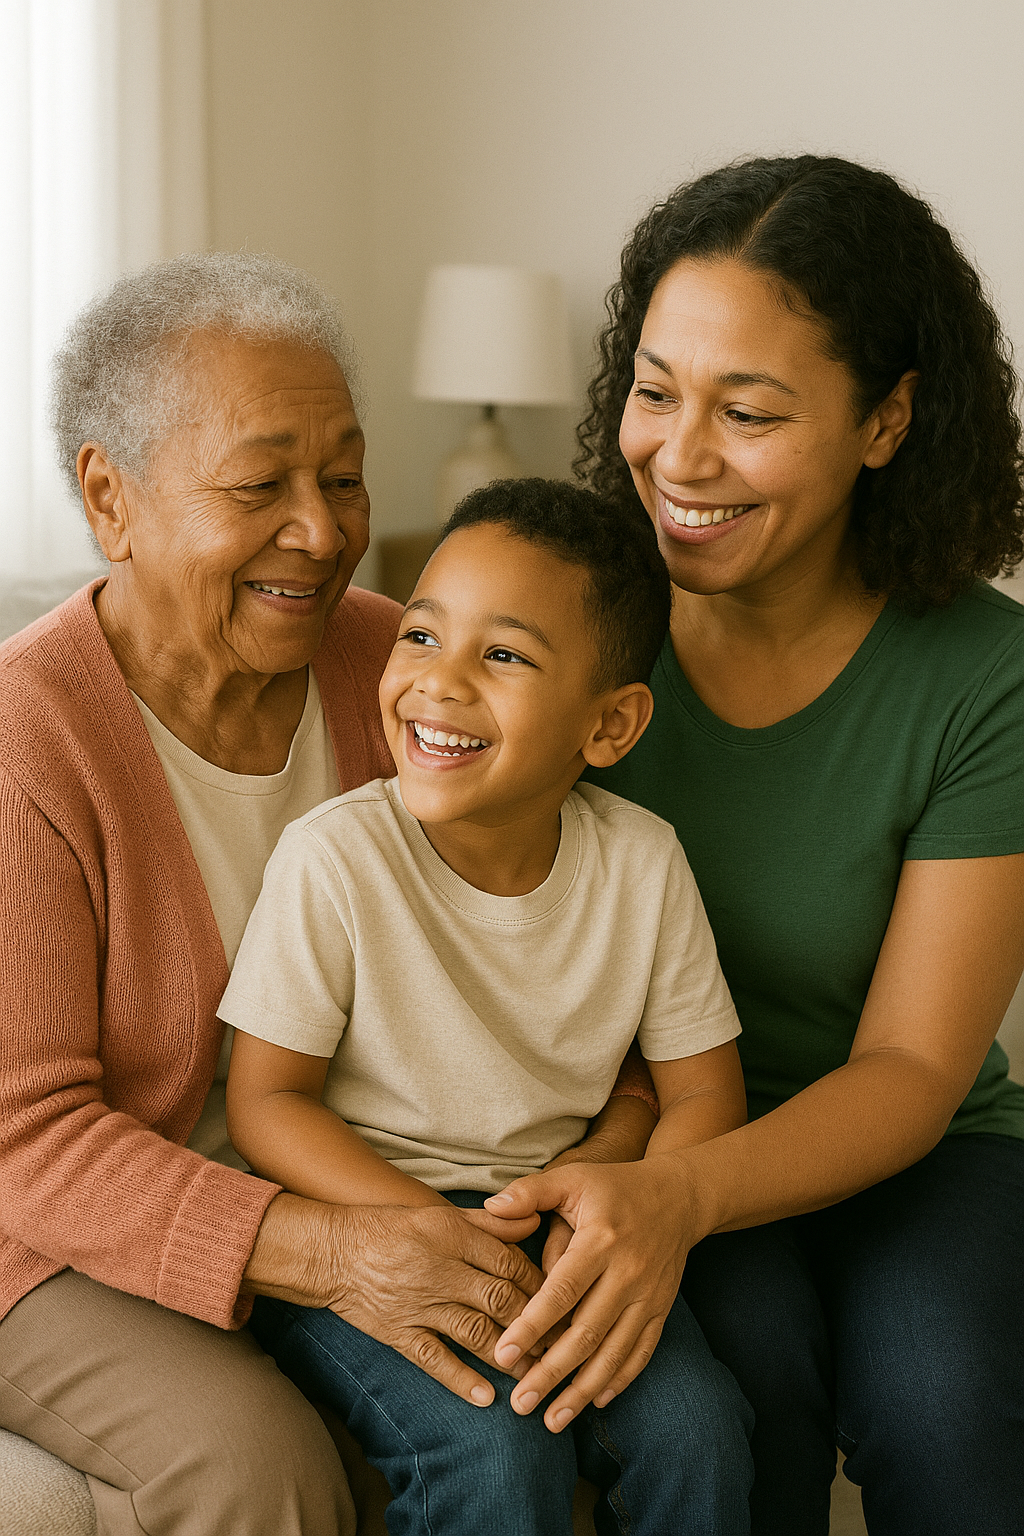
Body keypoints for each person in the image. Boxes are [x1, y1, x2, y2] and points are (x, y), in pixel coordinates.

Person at [0, 253, 651, 1536]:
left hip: (380, 1177)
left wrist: (591, 1170)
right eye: (259, 487)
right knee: (257, 1463)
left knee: (580, 1414)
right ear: (107, 496)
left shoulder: (401, 667)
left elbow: (569, 939)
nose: (321, 529)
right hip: (59, 1237)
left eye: (343, 477)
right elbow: (27, 1142)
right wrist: (334, 1253)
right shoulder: (29, 741)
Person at [476, 157, 1024, 1536]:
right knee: (748, 1392)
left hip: (919, 1144)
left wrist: (681, 1198)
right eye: (657, 391)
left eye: (753, 411)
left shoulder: (986, 675)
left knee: (942, 1411)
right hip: (647, 1124)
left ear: (888, 419)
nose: (682, 457)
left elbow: (909, 1065)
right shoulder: (568, 625)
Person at [220, 477, 753, 1536]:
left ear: (609, 724)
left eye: (501, 656)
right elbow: (267, 1103)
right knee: (493, 1451)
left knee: (699, 1427)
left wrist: (619, 1207)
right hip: (371, 1221)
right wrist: (421, 1231)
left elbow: (704, 1097)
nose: (438, 683)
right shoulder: (335, 859)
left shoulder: (642, 865)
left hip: (561, 1230)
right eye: (420, 635)